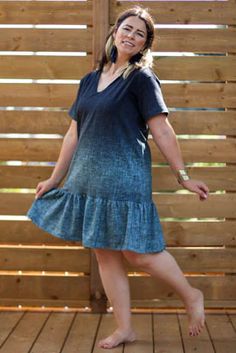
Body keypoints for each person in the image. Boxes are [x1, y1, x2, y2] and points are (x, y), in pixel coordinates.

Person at [27, 6, 209, 350]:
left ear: (143, 45)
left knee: (137, 253)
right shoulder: (89, 80)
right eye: (127, 28)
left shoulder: (141, 79)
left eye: (140, 34)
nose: (131, 36)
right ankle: (125, 327)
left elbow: (162, 130)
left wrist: (183, 176)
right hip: (87, 179)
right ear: (115, 32)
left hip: (125, 178)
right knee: (104, 254)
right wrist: (55, 179)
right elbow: (73, 133)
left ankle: (191, 294)